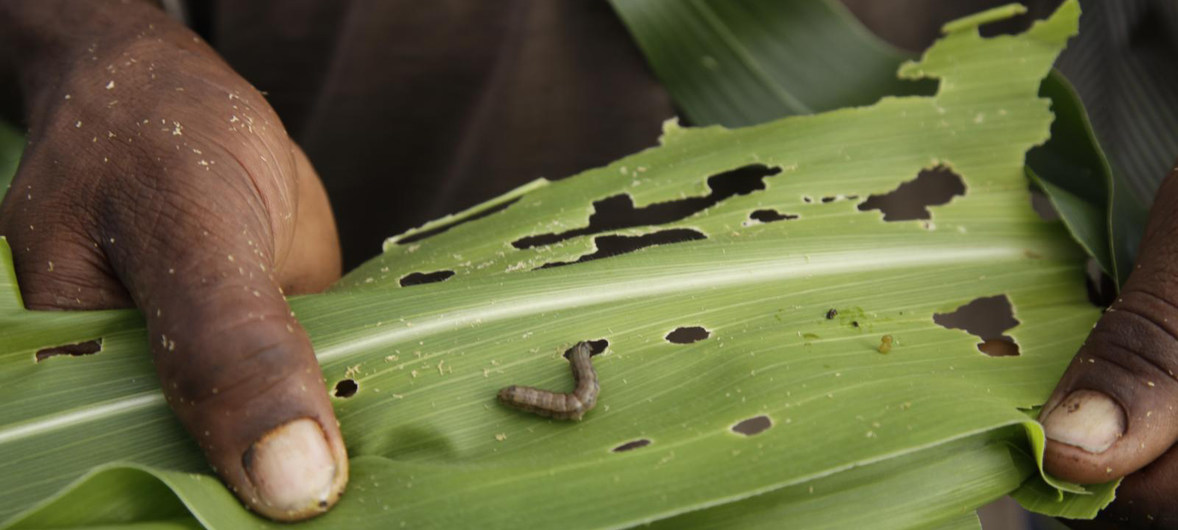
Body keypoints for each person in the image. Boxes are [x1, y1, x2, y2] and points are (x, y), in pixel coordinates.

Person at [1, 0, 1176, 527]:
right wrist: (79, 34)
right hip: (308, 229)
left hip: (980, 305)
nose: (561, 389)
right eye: (564, 382)